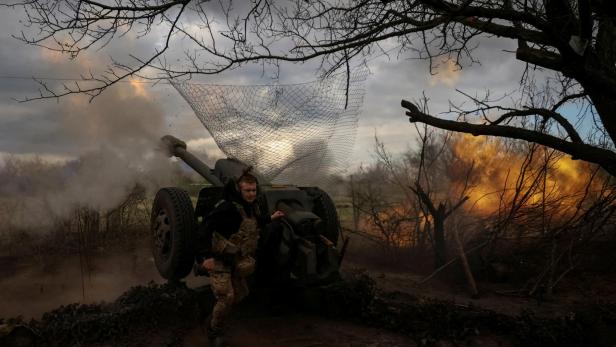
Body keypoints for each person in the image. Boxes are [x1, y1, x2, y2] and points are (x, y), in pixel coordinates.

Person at [196, 170, 284, 347]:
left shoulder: (250, 207)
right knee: (227, 297)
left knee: (242, 293)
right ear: (239, 190)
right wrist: (204, 258)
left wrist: (270, 218)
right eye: (247, 191)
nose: (251, 194)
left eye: (253, 190)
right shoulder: (226, 208)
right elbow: (204, 230)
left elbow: (251, 224)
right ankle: (214, 332)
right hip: (219, 258)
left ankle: (212, 313)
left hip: (235, 258)